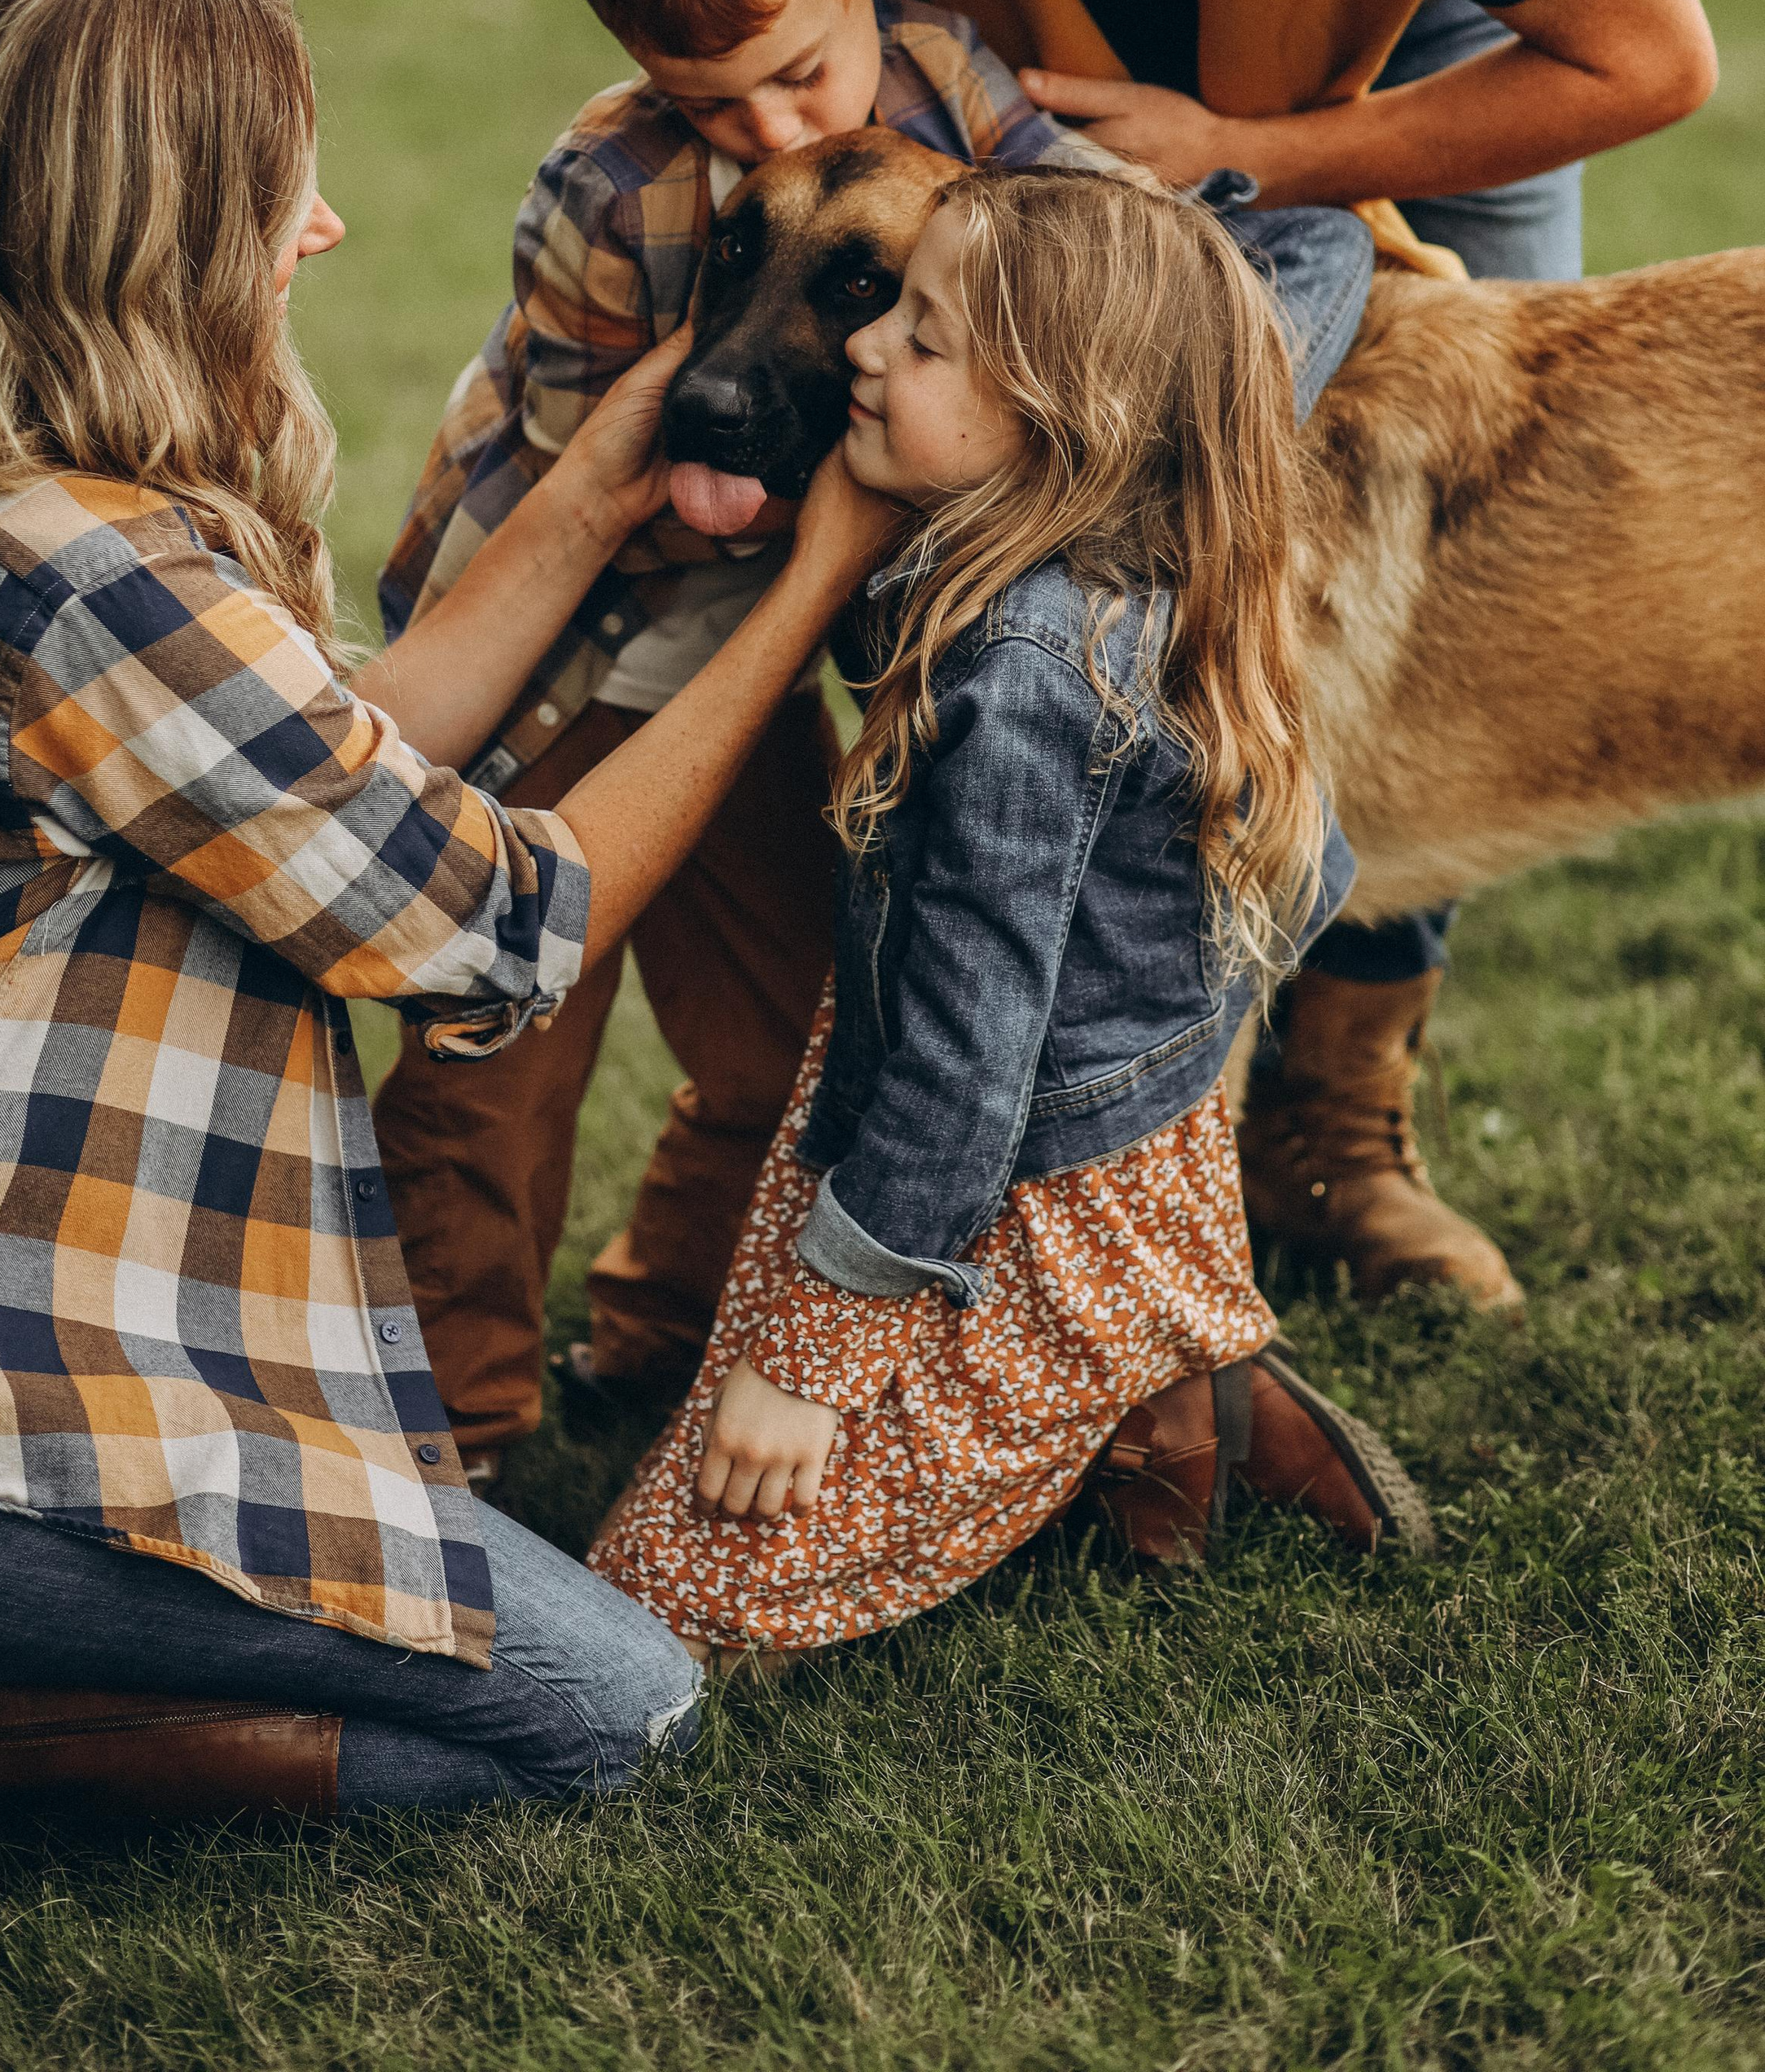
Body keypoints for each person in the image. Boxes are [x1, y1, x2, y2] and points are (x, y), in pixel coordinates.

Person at [0, 0, 892, 1933]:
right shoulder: (88, 582)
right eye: (277, 194)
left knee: (521, 1695)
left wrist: (608, 476)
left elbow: (342, 751)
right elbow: (508, 930)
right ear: (147, 239)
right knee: (623, 1717)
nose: (323, 228)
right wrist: (803, 588)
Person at [744, 0, 1720, 1311]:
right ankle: (932, 1115)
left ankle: (1328, 1128)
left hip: (1413, 31)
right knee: (1047, 552)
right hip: (1036, 70)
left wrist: (1265, 153)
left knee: (1370, 574)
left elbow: (1644, 61)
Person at [591, 164, 1433, 1659]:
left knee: (678, 1599)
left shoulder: (1028, 670)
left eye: (919, 339)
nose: (860, 350)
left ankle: (1136, 1354)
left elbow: (969, 1067)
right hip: (1120, 1138)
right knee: (700, 1506)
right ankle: (1175, 1361)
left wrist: (822, 1353)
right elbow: (1312, 880)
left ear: (1064, 415)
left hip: (1009, 1191)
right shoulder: (1143, 563)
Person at [373, 0, 1079, 1476]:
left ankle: (660, 1329)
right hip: (562, 652)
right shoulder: (607, 190)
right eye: (711, 109)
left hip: (750, 669)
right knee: (496, 1050)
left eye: (795, 74)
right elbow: (563, 509)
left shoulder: (952, 90)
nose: (776, 131)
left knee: (787, 1034)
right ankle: (439, 1443)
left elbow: (1092, 241)